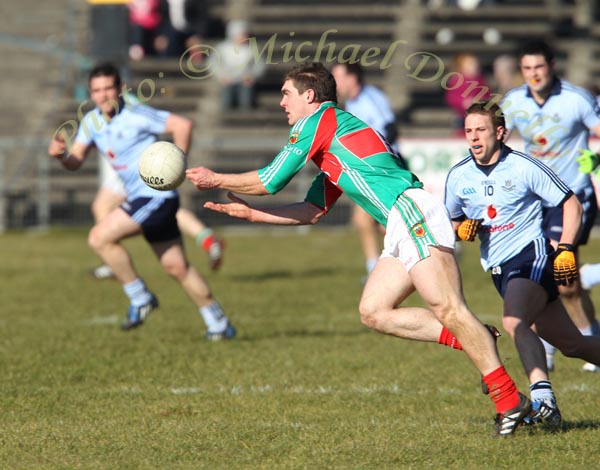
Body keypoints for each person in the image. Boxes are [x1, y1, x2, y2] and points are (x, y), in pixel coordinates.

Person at [186, 62, 531, 437]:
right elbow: (311, 211)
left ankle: (509, 401)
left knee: (447, 308)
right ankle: (475, 335)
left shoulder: (321, 121)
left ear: (310, 96)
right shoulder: (333, 145)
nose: (281, 102)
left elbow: (272, 179)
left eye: (286, 94)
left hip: (410, 209)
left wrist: (216, 178)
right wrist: (251, 214)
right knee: (374, 312)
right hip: (401, 222)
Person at [48, 63, 236, 341]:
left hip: (156, 197)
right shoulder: (91, 122)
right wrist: (61, 156)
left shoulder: (136, 114)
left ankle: (140, 297)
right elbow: (76, 160)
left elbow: (182, 125)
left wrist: (176, 162)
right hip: (142, 199)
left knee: (99, 237)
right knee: (177, 267)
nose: (102, 95)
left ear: (120, 89)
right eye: (96, 90)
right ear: (90, 93)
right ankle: (219, 323)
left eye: (108, 88)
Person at [445, 102, 600, 428]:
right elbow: (452, 220)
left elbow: (570, 203)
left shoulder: (523, 166)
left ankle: (542, 399)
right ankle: (546, 402)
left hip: (532, 256)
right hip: (498, 269)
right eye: (469, 130)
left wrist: (567, 248)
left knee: (514, 321)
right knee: (574, 345)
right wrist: (461, 229)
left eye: (481, 130)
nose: (474, 137)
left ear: (500, 132)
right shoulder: (458, 175)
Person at [501, 40, 600, 372]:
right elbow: (497, 138)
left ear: (552, 65)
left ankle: (573, 340)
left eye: (539, 67)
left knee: (561, 271)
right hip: (536, 199)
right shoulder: (514, 101)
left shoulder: (577, 99)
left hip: (573, 196)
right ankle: (582, 337)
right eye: (527, 69)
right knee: (560, 280)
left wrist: (596, 159)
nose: (534, 75)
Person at [89, 157, 225, 280]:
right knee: (166, 209)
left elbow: (180, 128)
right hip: (149, 161)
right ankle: (209, 240)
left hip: (134, 163)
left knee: (102, 207)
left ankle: (114, 265)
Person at [331, 62, 400, 279]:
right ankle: (376, 269)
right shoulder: (352, 103)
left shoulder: (371, 99)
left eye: (338, 78)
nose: (335, 84)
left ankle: (385, 270)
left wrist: (374, 159)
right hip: (370, 170)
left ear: (352, 78)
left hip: (384, 170)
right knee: (367, 221)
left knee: (380, 223)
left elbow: (390, 129)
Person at [209, 20, 266, 111]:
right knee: (226, 102)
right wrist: (221, 76)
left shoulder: (253, 48)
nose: (244, 37)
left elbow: (260, 65)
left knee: (246, 102)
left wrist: (252, 76)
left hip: (245, 81)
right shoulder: (222, 48)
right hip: (227, 80)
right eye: (241, 34)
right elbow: (213, 64)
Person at [445, 53, 491, 135]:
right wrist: (463, 102)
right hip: (462, 114)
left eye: (475, 64)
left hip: (478, 114)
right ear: (461, 67)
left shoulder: (480, 80)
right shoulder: (456, 80)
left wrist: (481, 101)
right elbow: (451, 97)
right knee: (462, 131)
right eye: (470, 64)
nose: (474, 67)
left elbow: (487, 94)